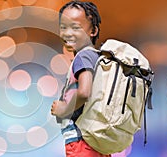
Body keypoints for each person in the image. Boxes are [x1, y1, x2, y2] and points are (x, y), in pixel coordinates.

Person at [50, 1, 111, 157]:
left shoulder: (83, 57)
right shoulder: (97, 57)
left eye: (76, 27)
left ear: (93, 30)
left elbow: (84, 92)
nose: (68, 33)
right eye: (63, 27)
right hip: (97, 142)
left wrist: (64, 109)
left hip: (82, 144)